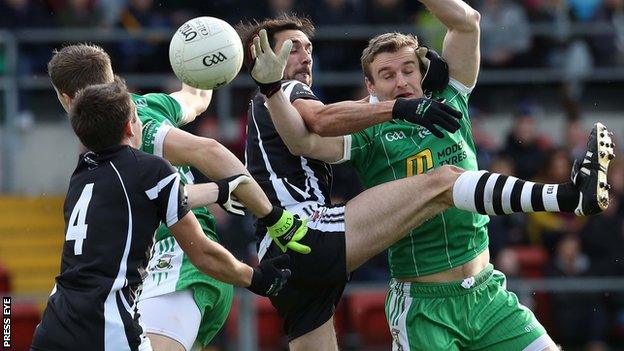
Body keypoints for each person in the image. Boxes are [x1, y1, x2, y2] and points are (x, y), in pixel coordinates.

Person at [240, 11, 615, 351]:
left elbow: (467, 20)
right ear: (369, 89)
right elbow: (307, 135)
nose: (401, 81)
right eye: (387, 76)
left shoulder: (450, 99)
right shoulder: (368, 132)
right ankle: (568, 196)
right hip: (424, 305)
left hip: (489, 293)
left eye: (408, 70)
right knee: (446, 181)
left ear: (424, 71)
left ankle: (571, 196)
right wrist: (275, 90)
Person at [46, 44, 306, 351]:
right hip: (146, 271)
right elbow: (195, 98)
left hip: (177, 260)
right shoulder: (142, 109)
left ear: (65, 98)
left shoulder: (133, 127)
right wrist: (204, 57)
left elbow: (208, 151)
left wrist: (272, 216)